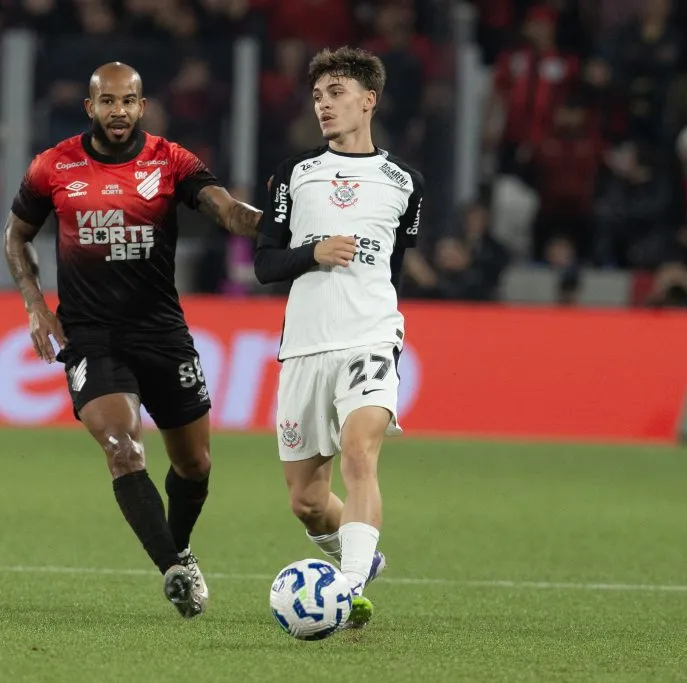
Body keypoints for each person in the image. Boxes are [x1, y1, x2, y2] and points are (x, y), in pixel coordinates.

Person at [3, 62, 261, 619]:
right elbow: (16, 235)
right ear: (89, 108)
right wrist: (34, 304)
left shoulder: (172, 161)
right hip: (92, 337)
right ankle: (173, 570)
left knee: (194, 467)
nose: (117, 112)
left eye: (128, 102)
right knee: (123, 449)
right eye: (107, 102)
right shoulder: (53, 166)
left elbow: (228, 212)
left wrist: (282, 222)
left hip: (162, 332)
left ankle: (180, 546)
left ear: (143, 107)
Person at [253, 46, 424, 629]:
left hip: (370, 337)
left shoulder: (405, 183)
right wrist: (314, 253)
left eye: (337, 93)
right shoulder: (295, 175)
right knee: (305, 499)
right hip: (304, 346)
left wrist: (377, 316)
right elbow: (265, 264)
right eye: (319, 95)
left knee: (360, 453)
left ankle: (346, 590)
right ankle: (360, 559)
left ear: (368, 100)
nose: (324, 105)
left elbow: (392, 265)